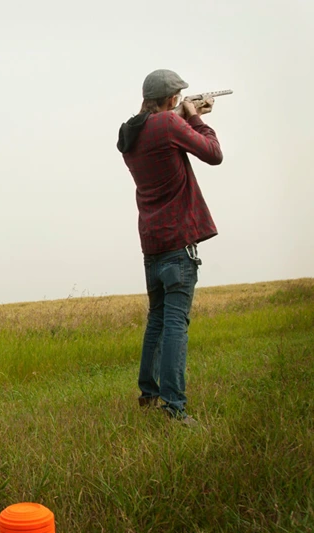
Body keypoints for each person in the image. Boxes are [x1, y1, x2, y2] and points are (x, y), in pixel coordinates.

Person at [116, 69, 224, 425]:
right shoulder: (169, 125)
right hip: (179, 241)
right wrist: (196, 119)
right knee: (176, 321)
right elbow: (213, 154)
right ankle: (174, 407)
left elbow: (157, 128)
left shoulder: (128, 133)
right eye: (179, 98)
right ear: (172, 99)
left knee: (158, 319)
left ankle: (148, 392)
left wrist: (184, 116)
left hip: (152, 240)